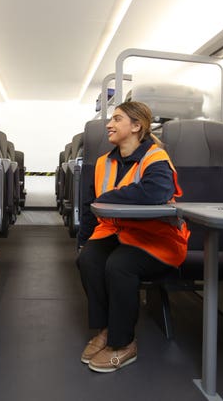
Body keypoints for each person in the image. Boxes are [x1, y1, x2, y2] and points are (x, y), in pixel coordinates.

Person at [76, 101, 190, 373]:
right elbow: (92, 206)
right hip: (116, 232)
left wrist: (108, 198)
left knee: (119, 265)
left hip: (157, 239)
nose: (109, 125)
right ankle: (106, 329)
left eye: (117, 119)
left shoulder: (155, 158)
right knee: (88, 259)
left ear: (137, 126)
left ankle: (124, 343)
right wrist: (83, 241)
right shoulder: (104, 162)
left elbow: (154, 194)